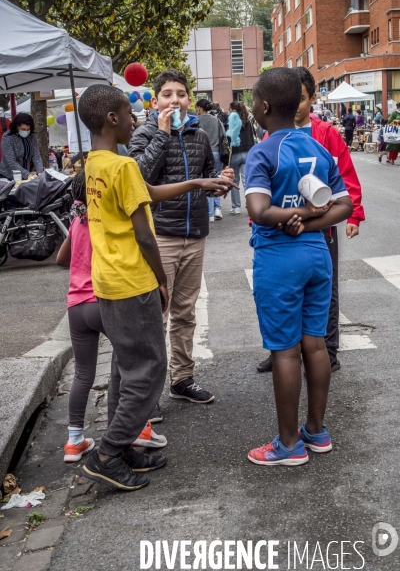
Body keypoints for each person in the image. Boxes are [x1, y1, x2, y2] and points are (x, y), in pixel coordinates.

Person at [57, 165, 234, 464]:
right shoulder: (106, 221)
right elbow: (143, 235)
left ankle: (74, 441)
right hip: (104, 299)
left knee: (85, 374)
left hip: (75, 305)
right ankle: (134, 432)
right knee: (137, 364)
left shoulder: (78, 224)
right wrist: (159, 279)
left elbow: (63, 259)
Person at [245, 67, 353, 466]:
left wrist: (293, 216)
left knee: (285, 351)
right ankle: (316, 431)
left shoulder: (263, 151)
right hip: (316, 256)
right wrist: (309, 219)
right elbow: (344, 205)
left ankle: (289, 446)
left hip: (279, 259)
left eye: (254, 100)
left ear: (265, 106)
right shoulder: (317, 149)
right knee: (316, 342)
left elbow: (258, 210)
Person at [128, 69, 234, 405]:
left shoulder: (199, 135)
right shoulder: (143, 134)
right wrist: (161, 136)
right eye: (168, 94)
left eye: (181, 94)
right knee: (154, 314)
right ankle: (148, 394)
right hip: (160, 236)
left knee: (185, 312)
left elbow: (205, 178)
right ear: (156, 99)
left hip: (195, 233)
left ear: (189, 99)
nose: (175, 100)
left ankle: (182, 379)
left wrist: (221, 178)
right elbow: (139, 179)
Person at [257, 67, 365, 375]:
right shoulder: (269, 136)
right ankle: (280, 349)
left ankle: (327, 349)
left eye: (302, 99)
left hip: (320, 229)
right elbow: (263, 188)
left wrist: (354, 213)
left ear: (311, 98)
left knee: (324, 292)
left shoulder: (326, 134)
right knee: (280, 292)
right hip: (278, 230)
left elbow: (345, 176)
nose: (297, 105)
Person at [195, 98, 227, 222]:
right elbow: (223, 136)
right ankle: (218, 209)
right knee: (217, 179)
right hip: (217, 152)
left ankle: (210, 213)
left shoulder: (196, 121)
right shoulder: (217, 120)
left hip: (202, 152)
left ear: (199, 108)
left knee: (206, 181)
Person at [226, 101, 255, 214]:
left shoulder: (232, 120)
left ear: (232, 109)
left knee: (234, 180)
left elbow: (229, 136)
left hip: (235, 152)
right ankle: (250, 204)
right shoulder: (247, 121)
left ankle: (236, 207)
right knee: (246, 180)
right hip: (247, 152)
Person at [0, 112, 43, 180]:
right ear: (16, 126)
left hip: (26, 175)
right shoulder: (8, 137)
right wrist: (27, 174)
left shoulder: (32, 136)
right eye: (23, 129)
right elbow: (11, 161)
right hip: (8, 176)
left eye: (28, 129)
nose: (26, 131)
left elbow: (36, 155)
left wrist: (39, 172)